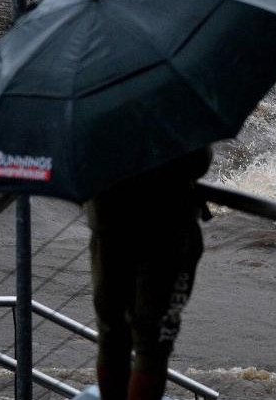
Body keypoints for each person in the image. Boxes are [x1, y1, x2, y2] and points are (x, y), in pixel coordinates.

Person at [85, 146, 212, 400]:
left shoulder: (89, 110)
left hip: (106, 218)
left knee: (111, 335)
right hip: (165, 228)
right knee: (152, 345)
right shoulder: (167, 110)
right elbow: (197, 162)